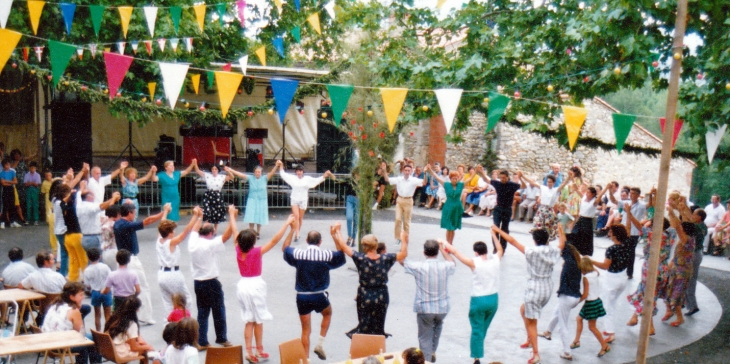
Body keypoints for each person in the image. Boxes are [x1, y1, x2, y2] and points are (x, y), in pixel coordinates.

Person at [492, 225, 563, 364]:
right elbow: (562, 243)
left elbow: (512, 241)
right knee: (523, 310)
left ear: (535, 240)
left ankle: (536, 353)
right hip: (547, 287)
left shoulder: (531, 251)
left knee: (532, 322)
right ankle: (531, 339)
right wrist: (560, 229)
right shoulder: (553, 250)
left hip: (534, 288)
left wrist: (497, 230)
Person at [235, 215, 297, 362]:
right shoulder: (256, 252)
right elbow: (275, 240)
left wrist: (232, 216)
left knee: (249, 320)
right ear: (253, 242)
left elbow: (235, 233)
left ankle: (249, 351)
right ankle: (259, 349)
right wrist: (286, 223)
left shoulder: (238, 250)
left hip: (243, 285)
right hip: (256, 285)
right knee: (259, 319)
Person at [282, 225, 347, 360]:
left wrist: (292, 229)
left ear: (306, 240)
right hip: (319, 295)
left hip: (302, 296)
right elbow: (341, 254)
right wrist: (334, 236)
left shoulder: (298, 254)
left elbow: (285, 248)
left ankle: (306, 360)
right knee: (328, 313)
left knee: (305, 330)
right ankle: (320, 343)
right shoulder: (326, 255)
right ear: (320, 242)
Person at [334, 226, 408, 339]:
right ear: (376, 245)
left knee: (364, 325)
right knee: (379, 326)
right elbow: (403, 254)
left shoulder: (360, 258)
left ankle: (363, 344)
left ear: (364, 247)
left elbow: (344, 247)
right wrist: (403, 239)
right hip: (381, 294)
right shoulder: (386, 258)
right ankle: (377, 345)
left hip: (365, 294)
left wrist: (338, 231)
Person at [443, 234, 503, 364]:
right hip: (493, 299)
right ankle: (478, 350)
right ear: (486, 250)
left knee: (477, 329)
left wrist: (442, 242)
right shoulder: (495, 260)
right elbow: (500, 249)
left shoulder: (474, 262)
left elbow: (455, 252)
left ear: (476, 252)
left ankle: (476, 357)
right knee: (483, 328)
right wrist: (493, 234)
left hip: (479, 299)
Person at [188, 205, 238, 349]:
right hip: (211, 282)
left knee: (202, 312)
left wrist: (199, 217)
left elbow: (193, 230)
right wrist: (232, 217)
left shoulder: (193, 243)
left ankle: (201, 340)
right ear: (212, 233)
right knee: (219, 310)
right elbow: (227, 236)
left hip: (198, 282)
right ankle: (221, 337)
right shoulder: (210, 244)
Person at [114, 202, 170, 324]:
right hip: (131, 259)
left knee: (127, 288)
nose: (135, 216)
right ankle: (145, 315)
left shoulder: (118, 224)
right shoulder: (126, 225)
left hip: (123, 259)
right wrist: (163, 212)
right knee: (143, 286)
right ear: (129, 213)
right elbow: (148, 221)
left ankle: (129, 312)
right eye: (134, 213)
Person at [402, 238, 455, 363]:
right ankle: (432, 351)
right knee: (437, 328)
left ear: (424, 252)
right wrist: (442, 249)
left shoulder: (419, 266)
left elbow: (401, 260)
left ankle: (426, 359)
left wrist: (405, 242)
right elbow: (452, 262)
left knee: (424, 337)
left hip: (425, 308)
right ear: (437, 252)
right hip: (442, 308)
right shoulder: (444, 266)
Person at [537, 226, 582, 361]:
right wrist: (561, 231)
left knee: (563, 325)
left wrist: (561, 230)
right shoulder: (575, 262)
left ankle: (567, 351)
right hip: (574, 296)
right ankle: (548, 332)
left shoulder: (568, 262)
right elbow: (565, 245)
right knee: (556, 312)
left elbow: (563, 245)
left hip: (566, 297)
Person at [626, 218, 673, 334]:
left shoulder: (652, 234)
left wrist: (629, 213)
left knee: (648, 295)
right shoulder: (669, 235)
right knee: (646, 292)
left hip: (651, 267)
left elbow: (639, 226)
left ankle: (650, 325)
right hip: (663, 269)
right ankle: (634, 317)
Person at [590, 224, 632, 344]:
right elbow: (628, 231)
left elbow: (605, 266)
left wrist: (591, 261)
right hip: (622, 277)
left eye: (611, 232)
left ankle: (610, 332)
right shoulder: (628, 245)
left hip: (612, 279)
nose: (609, 234)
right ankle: (609, 329)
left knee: (607, 306)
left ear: (615, 235)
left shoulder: (611, 249)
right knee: (612, 304)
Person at [42, 281, 100, 364]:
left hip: (48, 344)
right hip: (61, 346)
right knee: (94, 338)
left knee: (87, 340)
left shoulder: (55, 304)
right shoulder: (73, 310)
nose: (83, 297)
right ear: (72, 297)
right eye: (81, 295)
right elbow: (80, 334)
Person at [156, 206, 200, 314]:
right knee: (185, 300)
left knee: (168, 303)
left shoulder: (159, 240)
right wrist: (195, 216)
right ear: (170, 232)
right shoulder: (170, 242)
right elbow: (186, 232)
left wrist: (165, 211)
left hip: (161, 274)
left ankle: (169, 324)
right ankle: (184, 322)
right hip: (173, 274)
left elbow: (162, 223)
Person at [279, 161, 334, 241]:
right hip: (294, 199)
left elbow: (316, 180)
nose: (299, 172)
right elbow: (283, 174)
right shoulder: (292, 178)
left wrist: (324, 176)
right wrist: (281, 165)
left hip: (303, 200)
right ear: (296, 172)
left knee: (300, 218)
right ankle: (297, 234)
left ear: (302, 171)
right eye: (297, 171)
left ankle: (297, 231)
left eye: (300, 171)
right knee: (296, 217)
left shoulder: (307, 179)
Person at [225, 163, 280, 237]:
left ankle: (258, 232)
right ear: (254, 172)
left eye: (259, 172)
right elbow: (240, 174)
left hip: (261, 200)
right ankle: (251, 231)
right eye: (256, 172)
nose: (257, 173)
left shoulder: (265, 178)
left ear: (261, 173)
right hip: (252, 199)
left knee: (259, 216)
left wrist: (276, 166)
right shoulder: (250, 178)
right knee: (251, 215)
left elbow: (272, 172)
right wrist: (231, 170)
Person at [663, 204, 696, 327]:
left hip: (682, 270)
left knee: (677, 294)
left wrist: (671, 212)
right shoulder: (687, 239)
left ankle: (679, 317)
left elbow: (677, 226)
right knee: (668, 289)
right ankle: (670, 311)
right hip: (677, 267)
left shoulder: (686, 239)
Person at [572, 257, 610, 358]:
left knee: (592, 327)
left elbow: (585, 294)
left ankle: (604, 346)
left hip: (590, 303)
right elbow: (596, 270)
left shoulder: (586, 278)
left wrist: (576, 302)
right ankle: (576, 341)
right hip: (596, 300)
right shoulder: (595, 273)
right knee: (579, 318)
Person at [476, 167, 520, 252]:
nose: (502, 179)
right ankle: (496, 247)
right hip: (498, 208)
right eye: (501, 178)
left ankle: (502, 248)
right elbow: (486, 180)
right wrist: (481, 172)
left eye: (504, 178)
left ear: (508, 177)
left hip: (507, 209)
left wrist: (521, 177)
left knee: (504, 229)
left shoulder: (512, 185)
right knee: (495, 227)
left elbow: (523, 186)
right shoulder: (498, 183)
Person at [104, 297, 161, 363]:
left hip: (108, 349)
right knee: (144, 352)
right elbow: (134, 348)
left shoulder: (114, 317)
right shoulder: (131, 324)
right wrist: (148, 347)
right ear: (136, 310)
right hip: (119, 353)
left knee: (142, 346)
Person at [381, 163, 426, 245]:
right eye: (405, 170)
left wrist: (425, 173)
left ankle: (405, 238)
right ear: (403, 171)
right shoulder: (399, 179)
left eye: (409, 170)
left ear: (411, 171)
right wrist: (384, 170)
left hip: (408, 201)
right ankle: (398, 237)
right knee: (398, 219)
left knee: (406, 221)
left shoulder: (413, 180)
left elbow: (424, 183)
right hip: (400, 200)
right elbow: (387, 180)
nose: (407, 172)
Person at [76, 181, 122, 252]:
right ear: (89, 197)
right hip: (93, 237)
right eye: (93, 194)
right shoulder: (89, 206)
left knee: (91, 260)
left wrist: (82, 188)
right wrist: (113, 198)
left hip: (85, 237)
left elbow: (78, 195)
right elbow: (102, 206)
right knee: (98, 260)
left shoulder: (79, 204)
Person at [613, 187, 647, 279]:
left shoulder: (642, 205)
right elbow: (614, 201)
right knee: (621, 250)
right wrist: (609, 191)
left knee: (631, 252)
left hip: (634, 232)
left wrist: (651, 195)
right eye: (630, 193)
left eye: (633, 193)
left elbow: (651, 205)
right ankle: (621, 269)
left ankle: (629, 272)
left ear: (638, 195)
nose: (631, 195)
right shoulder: (625, 203)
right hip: (624, 230)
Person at [426, 165, 463, 245]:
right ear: (450, 178)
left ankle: (451, 243)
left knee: (453, 228)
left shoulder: (460, 185)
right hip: (448, 207)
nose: (455, 180)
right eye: (453, 178)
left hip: (457, 207)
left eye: (456, 178)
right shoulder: (446, 184)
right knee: (449, 227)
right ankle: (447, 243)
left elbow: (470, 178)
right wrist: (430, 170)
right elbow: (436, 177)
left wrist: (477, 171)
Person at [192, 164, 232, 230]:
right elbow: (197, 170)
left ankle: (215, 230)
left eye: (215, 169)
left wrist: (228, 171)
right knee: (207, 212)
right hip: (209, 195)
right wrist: (195, 163)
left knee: (217, 212)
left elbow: (231, 177)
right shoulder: (208, 175)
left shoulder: (222, 176)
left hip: (217, 195)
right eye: (213, 169)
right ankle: (207, 228)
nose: (214, 170)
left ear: (218, 170)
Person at [572, 185, 609, 256]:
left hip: (587, 221)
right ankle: (575, 253)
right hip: (580, 220)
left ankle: (584, 255)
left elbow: (600, 195)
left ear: (593, 194)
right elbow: (577, 190)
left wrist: (606, 187)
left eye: (588, 192)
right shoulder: (584, 198)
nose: (586, 193)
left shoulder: (594, 202)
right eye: (586, 192)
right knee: (575, 235)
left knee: (585, 239)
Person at [84, 247, 112, 332]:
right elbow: (110, 278)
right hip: (106, 291)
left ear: (88, 258)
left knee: (97, 314)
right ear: (100, 256)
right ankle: (107, 332)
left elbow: (87, 285)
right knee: (107, 314)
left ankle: (98, 331)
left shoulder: (87, 270)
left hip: (95, 292)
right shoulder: (105, 267)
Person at [0, 158, 21, 228]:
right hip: (5, 189)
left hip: (11, 189)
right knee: (5, 206)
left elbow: (15, 182)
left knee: (12, 205)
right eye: (6, 165)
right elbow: (2, 183)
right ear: (3, 166)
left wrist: (7, 181)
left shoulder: (12, 172)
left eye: (9, 164)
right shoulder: (1, 173)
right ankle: (2, 222)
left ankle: (13, 221)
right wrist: (10, 182)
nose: (8, 166)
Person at [41, 170, 59, 251]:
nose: (48, 177)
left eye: (50, 175)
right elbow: (43, 191)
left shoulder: (54, 181)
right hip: (49, 197)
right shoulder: (44, 183)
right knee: (48, 208)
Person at [342, 170, 360, 246]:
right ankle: (349, 236)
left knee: (356, 220)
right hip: (350, 199)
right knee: (349, 217)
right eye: (356, 173)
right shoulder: (350, 181)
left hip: (359, 200)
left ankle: (354, 238)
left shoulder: (363, 181)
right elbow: (339, 181)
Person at [101, 206, 121, 270]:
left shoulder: (103, 224)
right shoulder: (114, 225)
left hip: (104, 249)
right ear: (117, 214)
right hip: (114, 249)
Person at [23, 161, 41, 226]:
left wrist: (30, 183)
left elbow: (37, 184)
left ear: (35, 168)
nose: (32, 169)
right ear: (29, 168)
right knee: (28, 205)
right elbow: (25, 184)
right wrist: (32, 183)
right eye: (31, 168)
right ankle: (28, 219)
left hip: (35, 191)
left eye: (34, 168)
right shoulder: (26, 174)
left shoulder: (38, 175)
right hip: (28, 190)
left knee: (35, 205)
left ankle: (36, 219)